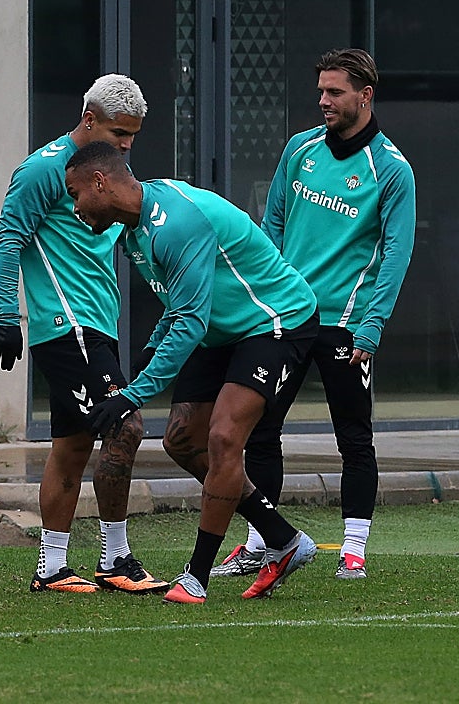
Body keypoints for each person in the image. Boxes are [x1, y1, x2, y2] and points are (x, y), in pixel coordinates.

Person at [65, 142, 319, 604]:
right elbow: (178, 302)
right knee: (183, 441)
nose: (76, 207)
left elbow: (191, 320)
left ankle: (196, 577)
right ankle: (282, 540)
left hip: (276, 321)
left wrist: (133, 394)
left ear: (100, 182)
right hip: (220, 331)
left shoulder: (176, 222)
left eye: (76, 194)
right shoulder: (133, 232)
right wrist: (149, 350)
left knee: (223, 439)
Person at [212, 49, 415, 582]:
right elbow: (270, 225)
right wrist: (262, 298)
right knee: (260, 430)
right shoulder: (299, 149)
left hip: (347, 324)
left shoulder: (392, 170)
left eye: (334, 92)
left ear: (364, 96)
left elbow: (396, 252)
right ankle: (262, 541)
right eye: (321, 91)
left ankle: (353, 548)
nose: (322, 101)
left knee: (353, 435)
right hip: (287, 320)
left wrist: (373, 324)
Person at [0, 74, 167, 594]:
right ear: (88, 120)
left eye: (133, 137)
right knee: (125, 427)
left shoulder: (107, 174)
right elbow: (7, 240)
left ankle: (51, 568)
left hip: (98, 325)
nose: (127, 146)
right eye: (118, 134)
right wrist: (6, 318)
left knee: (69, 447)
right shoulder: (43, 171)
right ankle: (116, 558)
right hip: (68, 326)